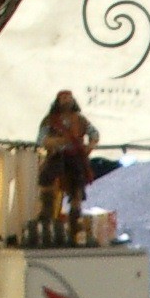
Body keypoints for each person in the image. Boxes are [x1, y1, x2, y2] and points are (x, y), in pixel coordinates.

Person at [37, 90, 99, 221]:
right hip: (56, 155)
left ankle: (75, 212)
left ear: (73, 100)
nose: (66, 100)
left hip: (75, 156)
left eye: (68, 98)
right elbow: (41, 139)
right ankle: (47, 210)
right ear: (58, 101)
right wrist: (55, 141)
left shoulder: (80, 120)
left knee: (77, 183)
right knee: (46, 178)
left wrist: (90, 145)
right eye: (63, 98)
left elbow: (94, 134)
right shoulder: (49, 120)